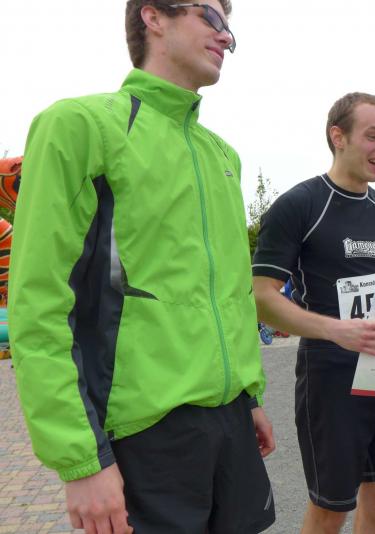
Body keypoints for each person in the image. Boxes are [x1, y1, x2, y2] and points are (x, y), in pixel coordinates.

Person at [8, 2, 276, 533]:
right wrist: (81, 459)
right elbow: (38, 305)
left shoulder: (222, 155)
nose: (227, 36)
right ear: (153, 17)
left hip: (230, 425)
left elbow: (232, 294)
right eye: (211, 16)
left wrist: (249, 397)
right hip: (138, 434)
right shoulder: (80, 125)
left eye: (230, 25)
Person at [252, 92, 375, 534]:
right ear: (337, 136)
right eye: (373, 136)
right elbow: (261, 298)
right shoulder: (299, 205)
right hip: (330, 376)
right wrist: (337, 331)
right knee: (331, 509)